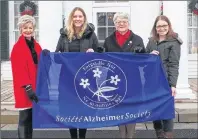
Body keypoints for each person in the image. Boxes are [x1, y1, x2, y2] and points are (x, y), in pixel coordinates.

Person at [55, 7, 99, 139]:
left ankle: (82, 137)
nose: (78, 19)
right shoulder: (64, 34)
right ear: (71, 18)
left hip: (85, 78)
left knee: (83, 108)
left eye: (80, 16)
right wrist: (53, 55)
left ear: (84, 18)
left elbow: (99, 56)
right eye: (75, 16)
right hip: (67, 78)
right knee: (70, 109)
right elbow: (57, 56)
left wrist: (94, 52)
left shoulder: (91, 34)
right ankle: (73, 137)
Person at [103, 12, 145, 139]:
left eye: (124, 21)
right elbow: (104, 59)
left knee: (132, 107)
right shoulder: (108, 40)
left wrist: (146, 53)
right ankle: (122, 136)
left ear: (128, 23)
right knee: (118, 107)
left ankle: (130, 136)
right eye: (118, 21)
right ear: (114, 24)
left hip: (132, 79)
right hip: (114, 80)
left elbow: (143, 59)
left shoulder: (137, 39)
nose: (121, 24)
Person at [10, 1, 44, 139]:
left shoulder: (36, 45)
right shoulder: (17, 48)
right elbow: (19, 70)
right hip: (25, 88)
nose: (28, 30)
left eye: (30, 28)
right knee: (24, 117)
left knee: (31, 117)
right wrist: (28, 88)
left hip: (35, 86)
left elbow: (43, 62)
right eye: (25, 28)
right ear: (20, 29)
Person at [146, 15, 182, 139]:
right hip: (152, 81)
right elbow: (145, 60)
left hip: (165, 81)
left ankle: (168, 136)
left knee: (166, 110)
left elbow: (174, 64)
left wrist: (173, 85)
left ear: (169, 26)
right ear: (155, 28)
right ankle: (159, 135)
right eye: (159, 26)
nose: (161, 28)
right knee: (155, 110)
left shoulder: (174, 41)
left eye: (164, 26)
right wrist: (149, 55)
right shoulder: (151, 41)